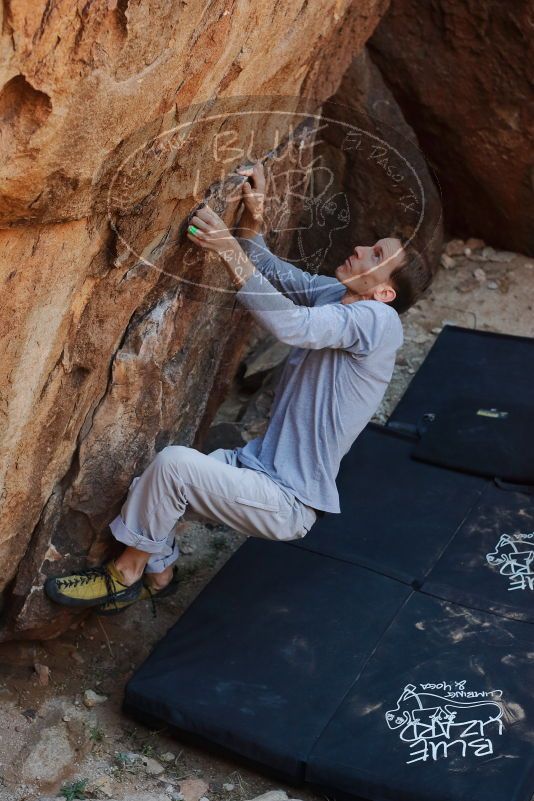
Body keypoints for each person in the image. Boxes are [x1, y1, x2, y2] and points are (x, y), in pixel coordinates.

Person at [45, 161, 432, 615]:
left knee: (175, 467)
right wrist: (253, 216)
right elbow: (267, 266)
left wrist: (227, 251)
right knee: (152, 482)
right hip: (255, 468)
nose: (362, 248)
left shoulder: (378, 321)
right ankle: (161, 573)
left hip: (287, 498)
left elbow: (293, 325)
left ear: (386, 293)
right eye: (372, 244)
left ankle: (124, 577)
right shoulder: (337, 295)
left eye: (376, 255)